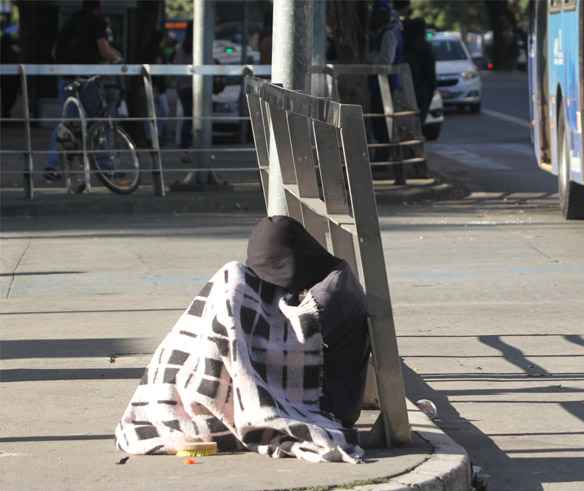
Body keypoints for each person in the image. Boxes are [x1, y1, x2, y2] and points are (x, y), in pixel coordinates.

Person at [115, 216, 369, 463]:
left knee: (232, 290)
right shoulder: (317, 277)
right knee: (230, 288)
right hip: (298, 391)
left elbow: (288, 344)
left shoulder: (332, 292)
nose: (265, 284)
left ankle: (198, 403)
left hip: (323, 404)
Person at [45, 0, 121, 181]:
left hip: (66, 78)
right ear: (99, 7)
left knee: (66, 123)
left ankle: (52, 166)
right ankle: (106, 167)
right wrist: (118, 59)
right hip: (86, 79)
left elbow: (55, 51)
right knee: (99, 120)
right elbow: (104, 50)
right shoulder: (97, 21)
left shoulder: (72, 20)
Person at [367, 0, 405, 184]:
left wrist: (366, 60)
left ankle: (384, 163)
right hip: (378, 86)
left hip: (386, 86)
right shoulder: (380, 32)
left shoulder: (389, 34)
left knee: (385, 126)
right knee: (378, 124)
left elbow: (385, 62)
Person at [402, 18, 436, 126]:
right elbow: (431, 74)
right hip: (422, 91)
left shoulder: (404, 47)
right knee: (418, 124)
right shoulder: (425, 47)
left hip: (406, 90)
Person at [173, 23, 194, 163]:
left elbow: (176, 67)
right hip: (193, 86)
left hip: (182, 87)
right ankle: (189, 149)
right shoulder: (198, 48)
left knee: (188, 118)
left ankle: (185, 149)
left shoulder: (181, 48)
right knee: (193, 119)